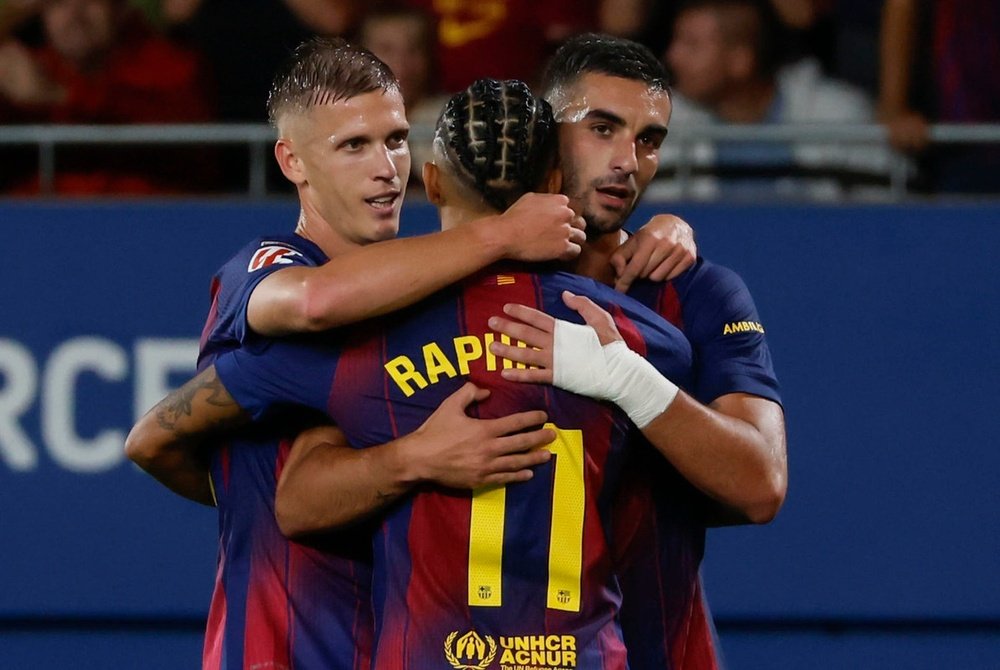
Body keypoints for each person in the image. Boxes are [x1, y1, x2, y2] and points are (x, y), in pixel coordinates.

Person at [125, 36, 697, 668]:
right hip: (282, 652)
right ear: (292, 161)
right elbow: (304, 310)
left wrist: (664, 228)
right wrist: (253, 500)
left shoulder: (420, 295)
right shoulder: (267, 269)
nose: (385, 167)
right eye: (353, 145)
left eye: (396, 140)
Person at [493, 32, 785, 668]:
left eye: (649, 140)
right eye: (602, 128)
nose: (628, 160)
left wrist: (627, 379)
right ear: (546, 132)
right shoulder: (467, 280)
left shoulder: (701, 292)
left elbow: (761, 483)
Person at [652, 0, 894, 200]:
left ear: (740, 61)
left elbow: (887, 208)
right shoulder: (664, 122)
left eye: (692, 45)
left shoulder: (838, 113)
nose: (673, 56)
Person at [0, 0, 216, 194]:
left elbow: (178, 133)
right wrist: (9, 13)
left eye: (91, 2)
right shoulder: (29, 69)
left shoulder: (171, 64)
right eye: (58, 3)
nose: (74, 15)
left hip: (149, 217)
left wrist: (62, 96)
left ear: (121, 9)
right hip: (40, 220)